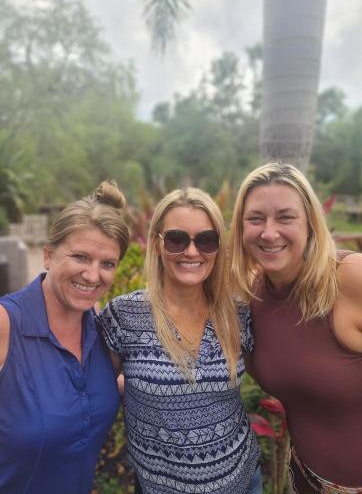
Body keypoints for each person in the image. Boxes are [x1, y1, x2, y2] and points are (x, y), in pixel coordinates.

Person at [229, 162, 362, 493]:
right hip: (306, 480)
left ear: (310, 224)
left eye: (285, 217)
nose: (269, 232)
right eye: (256, 218)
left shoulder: (356, 279)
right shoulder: (249, 294)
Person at [99, 187, 261, 494]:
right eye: (176, 239)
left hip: (242, 481)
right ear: (157, 244)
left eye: (206, 240)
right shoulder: (124, 316)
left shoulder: (237, 313)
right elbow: (95, 389)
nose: (191, 252)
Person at [0, 181, 130, 494]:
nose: (92, 275)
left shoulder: (98, 324)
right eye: (80, 257)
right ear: (48, 255)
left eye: (107, 264)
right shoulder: (6, 326)